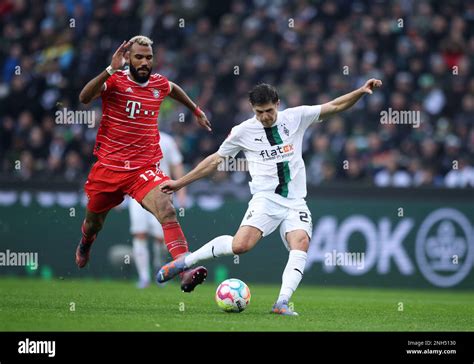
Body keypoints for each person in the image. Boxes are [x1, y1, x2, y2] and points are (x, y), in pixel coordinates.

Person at [157, 79, 383, 313]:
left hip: (295, 201)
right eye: (259, 112)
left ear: (278, 104)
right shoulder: (243, 131)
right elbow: (215, 160)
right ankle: (185, 261)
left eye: (269, 111)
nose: (265, 116)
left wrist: (361, 91)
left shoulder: (296, 117)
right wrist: (180, 183)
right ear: (252, 109)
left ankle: (282, 302)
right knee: (240, 246)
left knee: (301, 243)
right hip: (266, 199)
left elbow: (335, 106)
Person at [76, 35, 210, 292]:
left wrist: (195, 110)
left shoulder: (158, 83)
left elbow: (173, 88)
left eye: (148, 57)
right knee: (94, 222)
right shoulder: (114, 80)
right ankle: (86, 241)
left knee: (166, 208)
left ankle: (183, 268)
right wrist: (109, 69)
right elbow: (84, 98)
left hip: (143, 169)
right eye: (139, 57)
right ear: (128, 58)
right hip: (109, 168)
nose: (144, 62)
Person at [129, 132, 186, 288]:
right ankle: (144, 278)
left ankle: (159, 268)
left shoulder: (167, 140)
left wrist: (181, 192)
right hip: (136, 193)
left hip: (162, 193)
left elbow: (176, 165)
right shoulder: (133, 138)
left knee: (160, 238)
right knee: (139, 234)